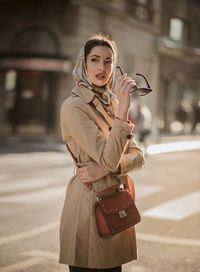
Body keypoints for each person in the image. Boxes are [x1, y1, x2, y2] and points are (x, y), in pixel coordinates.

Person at [59, 34, 145, 272]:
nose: (102, 67)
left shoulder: (112, 104)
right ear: (83, 63)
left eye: (108, 61)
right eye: (95, 60)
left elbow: (138, 156)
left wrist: (112, 168)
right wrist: (125, 107)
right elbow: (109, 156)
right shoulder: (73, 107)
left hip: (116, 204)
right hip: (89, 207)